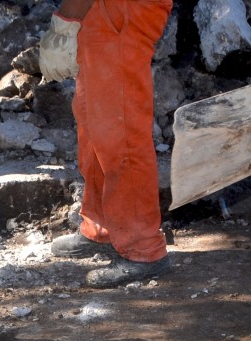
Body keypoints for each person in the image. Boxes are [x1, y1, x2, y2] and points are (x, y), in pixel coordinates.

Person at [39, 0, 173, 288]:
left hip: (122, 10)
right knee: (94, 121)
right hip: (104, 11)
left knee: (120, 129)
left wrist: (65, 22)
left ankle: (143, 248)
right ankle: (104, 226)